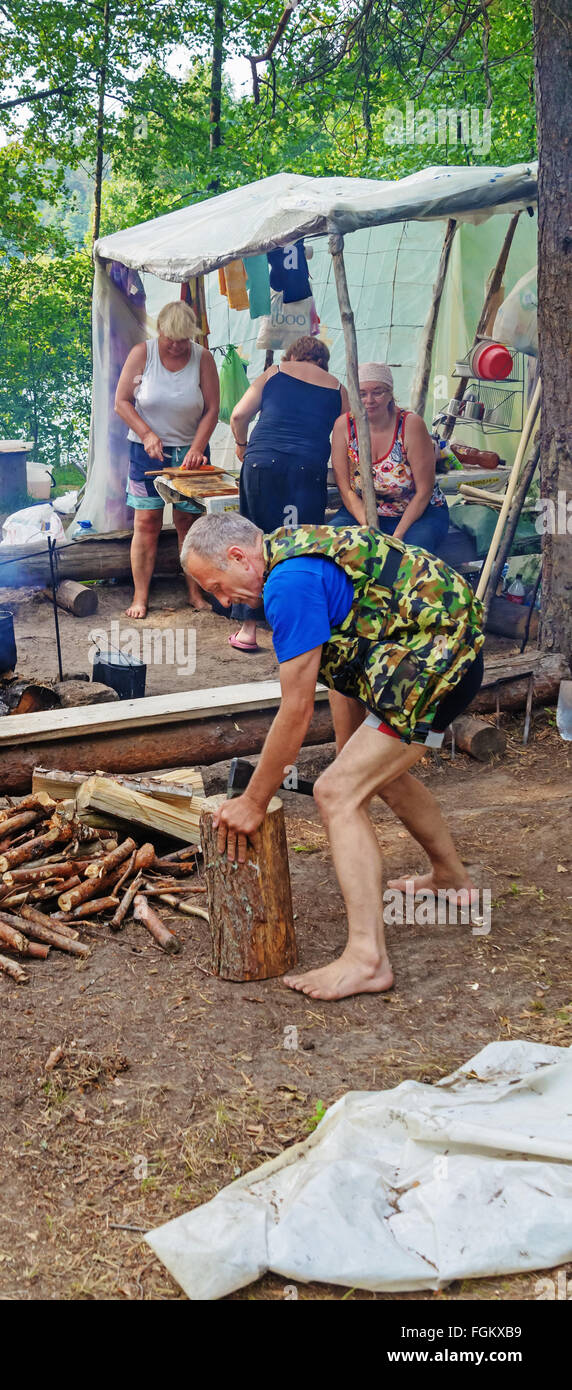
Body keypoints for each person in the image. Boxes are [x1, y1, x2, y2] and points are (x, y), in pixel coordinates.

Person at [180, 511, 485, 1002]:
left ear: (238, 557)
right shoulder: (296, 552)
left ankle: (368, 959)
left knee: (335, 792)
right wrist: (348, 753)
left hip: (436, 663)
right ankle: (450, 879)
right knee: (362, 776)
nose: (222, 601)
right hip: (432, 652)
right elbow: (348, 655)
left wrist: (253, 802)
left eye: (217, 585)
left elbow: (296, 710)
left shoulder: (289, 584)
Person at [227, 336, 347, 652]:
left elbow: (239, 416)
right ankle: (297, 628)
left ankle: (248, 630)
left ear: (291, 355)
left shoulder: (275, 372)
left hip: (261, 463)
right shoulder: (337, 388)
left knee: (256, 540)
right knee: (299, 544)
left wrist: (242, 445)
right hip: (306, 470)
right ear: (324, 361)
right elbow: (348, 435)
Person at [114, 301, 220, 619]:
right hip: (145, 452)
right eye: (170, 339)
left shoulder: (203, 357)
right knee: (146, 523)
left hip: (191, 455)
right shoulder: (142, 354)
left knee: (189, 523)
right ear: (159, 331)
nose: (176, 345)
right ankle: (140, 597)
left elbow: (213, 408)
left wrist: (198, 447)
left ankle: (194, 592)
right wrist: (147, 434)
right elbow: (122, 402)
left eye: (183, 340)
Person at [330, 362, 449, 551]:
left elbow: (423, 491)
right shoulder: (344, 426)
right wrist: (369, 527)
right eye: (362, 394)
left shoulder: (410, 425)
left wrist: (396, 538)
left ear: (390, 394)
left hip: (418, 514)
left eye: (378, 392)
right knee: (334, 543)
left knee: (409, 555)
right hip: (365, 513)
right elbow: (346, 490)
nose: (369, 400)